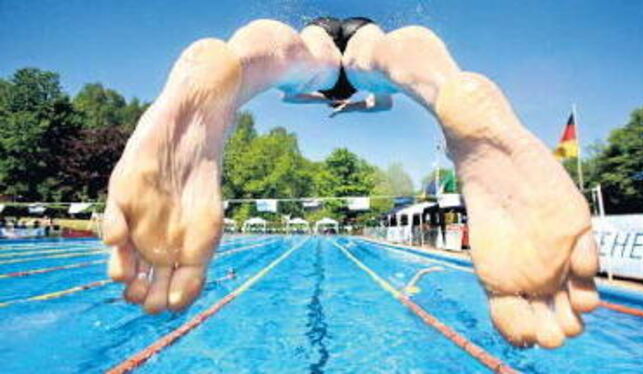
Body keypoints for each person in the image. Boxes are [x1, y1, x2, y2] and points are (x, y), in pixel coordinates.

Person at [103, 17, 599, 349]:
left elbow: (293, 98)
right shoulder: (361, 81)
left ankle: (235, 65)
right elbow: (381, 101)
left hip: (320, 55)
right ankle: (449, 84)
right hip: (362, 45)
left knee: (292, 56)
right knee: (387, 57)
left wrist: (330, 100)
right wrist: (357, 101)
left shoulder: (321, 81)